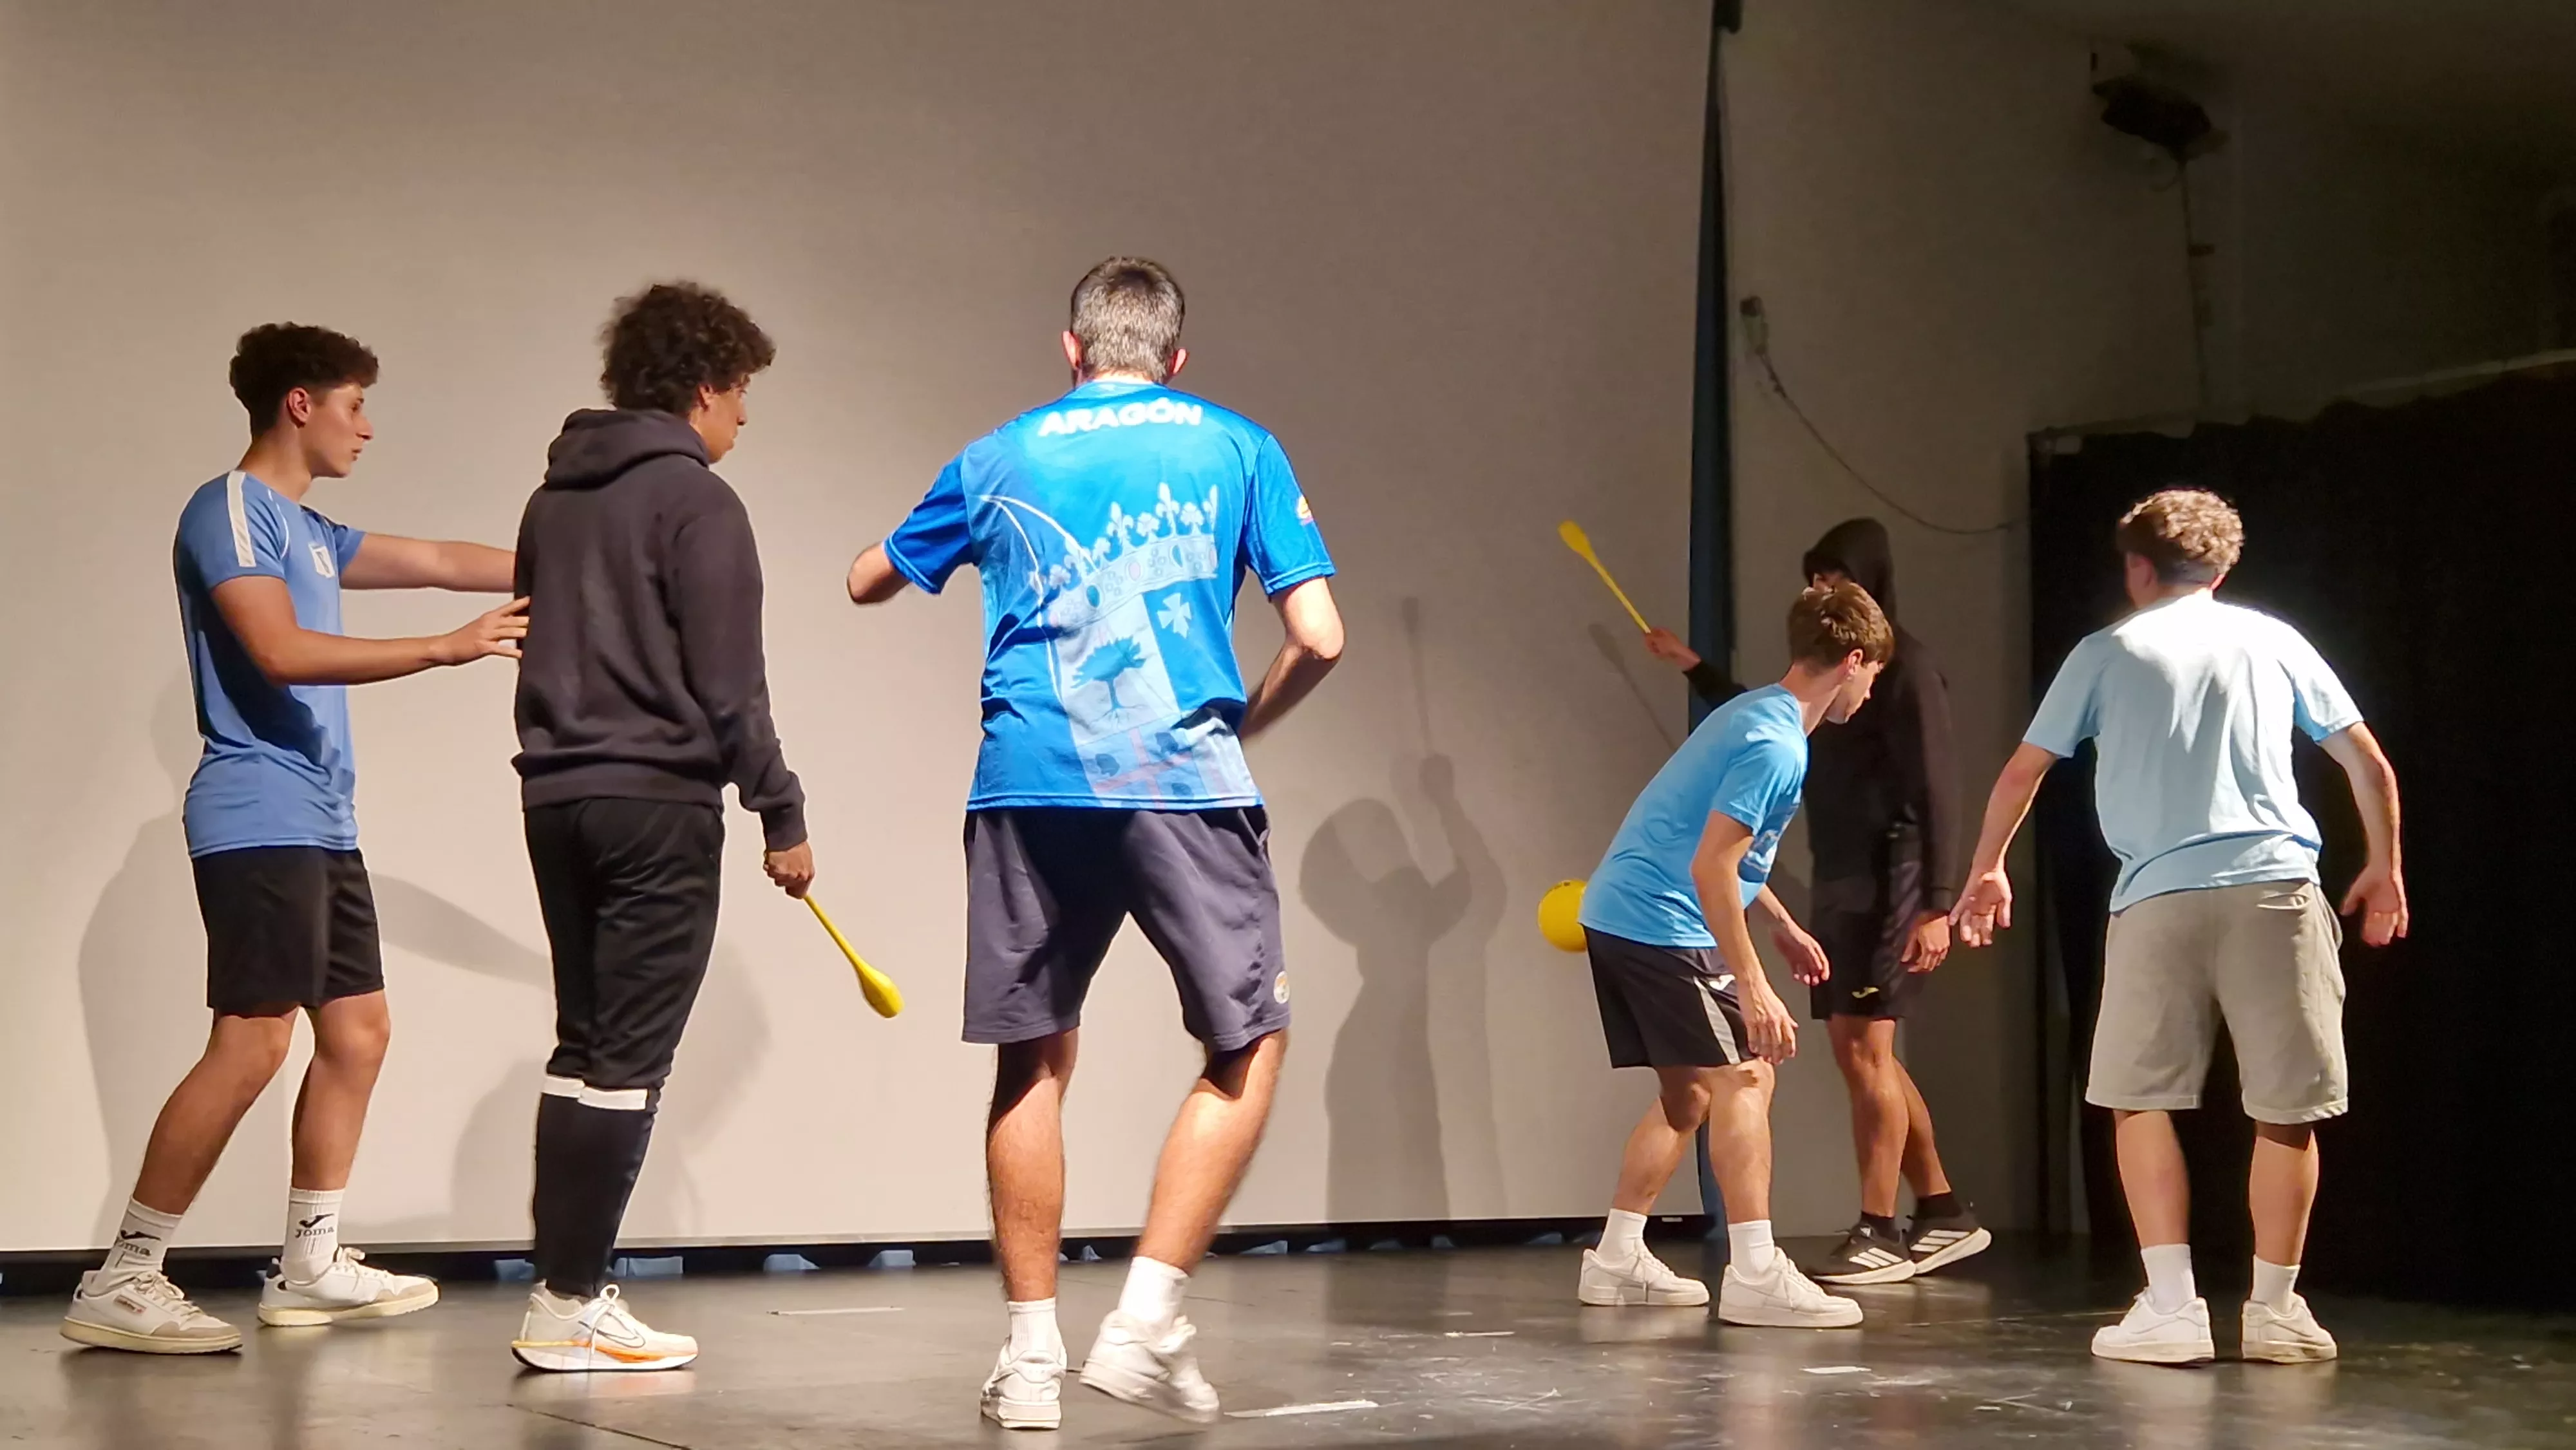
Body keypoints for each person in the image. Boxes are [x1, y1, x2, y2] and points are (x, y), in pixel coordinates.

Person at [846, 257, 1342, 1428]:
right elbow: (1318, 633)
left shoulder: (1001, 451)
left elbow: (868, 579)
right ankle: (1147, 1318)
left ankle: (1029, 1361)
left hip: (1026, 783)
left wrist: (918, 553)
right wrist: (1239, 719)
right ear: (1176, 359)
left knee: (1031, 1061)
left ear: (1070, 349)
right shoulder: (1237, 444)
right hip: (1184, 782)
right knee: (1249, 1039)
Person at [63, 324, 524, 1355]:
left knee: (358, 1034)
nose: (369, 425)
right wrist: (448, 651)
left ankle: (310, 1265)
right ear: (301, 405)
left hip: (320, 818)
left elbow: (447, 560)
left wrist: (583, 560)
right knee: (255, 1040)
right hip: (255, 811)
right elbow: (277, 651)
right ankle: (124, 1273)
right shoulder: (224, 511)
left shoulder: (313, 530)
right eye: (356, 403)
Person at [1951, 488, 2405, 1366]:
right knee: (2288, 1105)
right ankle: (2274, 1310)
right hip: (2276, 890)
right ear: (2224, 568)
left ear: (2137, 567)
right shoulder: (2274, 640)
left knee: (2139, 1096)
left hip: (2158, 896)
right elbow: (2366, 760)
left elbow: (2023, 771)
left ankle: (2171, 1306)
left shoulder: (2105, 651)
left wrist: (1987, 869)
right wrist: (2385, 867)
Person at [506, 282, 814, 1373]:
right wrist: (781, 808)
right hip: (656, 809)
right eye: (740, 391)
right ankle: (567, 1302)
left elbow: (539, 633)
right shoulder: (699, 503)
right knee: (626, 1058)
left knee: (585, 1043)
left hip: (555, 799)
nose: (745, 416)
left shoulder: (554, 500)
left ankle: (562, 1290)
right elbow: (732, 683)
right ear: (702, 387)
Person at [1653, 520, 1982, 1284]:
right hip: (1841, 874)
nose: (1821, 591)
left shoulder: (1907, 669)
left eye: (1835, 576)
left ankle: (1878, 1226)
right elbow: (1777, 711)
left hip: (1891, 877)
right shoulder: (1829, 685)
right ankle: (1940, 1209)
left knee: (1866, 1050)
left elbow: (1939, 787)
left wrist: (1936, 901)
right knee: (1859, 1050)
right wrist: (1696, 668)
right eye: (1815, 577)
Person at [1575, 581, 1889, 1329]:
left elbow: (1720, 848)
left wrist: (1777, 917)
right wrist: (1753, 985)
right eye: (1873, 674)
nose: (1871, 691)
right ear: (1852, 660)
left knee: (1688, 1097)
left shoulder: (1753, 714)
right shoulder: (1778, 743)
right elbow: (1710, 866)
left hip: (1618, 912)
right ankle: (1754, 1270)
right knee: (1748, 1074)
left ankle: (1616, 1257)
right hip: (1660, 920)